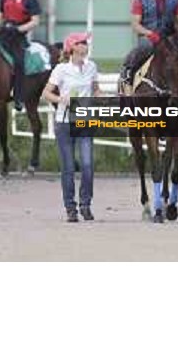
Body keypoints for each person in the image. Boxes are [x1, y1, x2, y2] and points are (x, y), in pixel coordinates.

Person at [43, 32, 102, 223]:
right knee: (68, 167)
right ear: (72, 48)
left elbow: (95, 89)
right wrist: (61, 99)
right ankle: (70, 207)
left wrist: (105, 96)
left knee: (87, 165)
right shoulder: (61, 69)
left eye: (86, 42)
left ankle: (85, 204)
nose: (86, 45)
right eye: (82, 42)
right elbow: (46, 93)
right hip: (64, 122)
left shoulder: (92, 67)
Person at [0, 0, 41, 112]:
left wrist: (18, 29)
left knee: (19, 61)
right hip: (3, 32)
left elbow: (35, 21)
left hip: (18, 36)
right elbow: (0, 16)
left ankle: (19, 97)